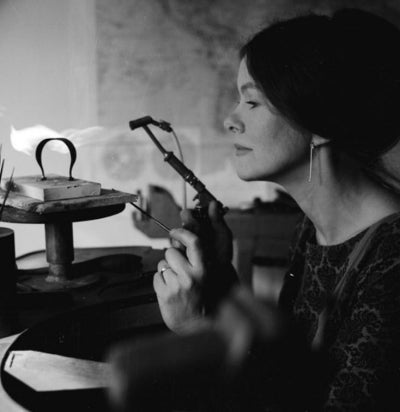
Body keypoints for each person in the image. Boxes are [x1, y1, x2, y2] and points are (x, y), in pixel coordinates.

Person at [110, 8, 400, 411]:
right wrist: (220, 277)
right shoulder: (313, 227)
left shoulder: (392, 262)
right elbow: (284, 367)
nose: (229, 120)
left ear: (321, 122)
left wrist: (199, 331)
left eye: (252, 102)